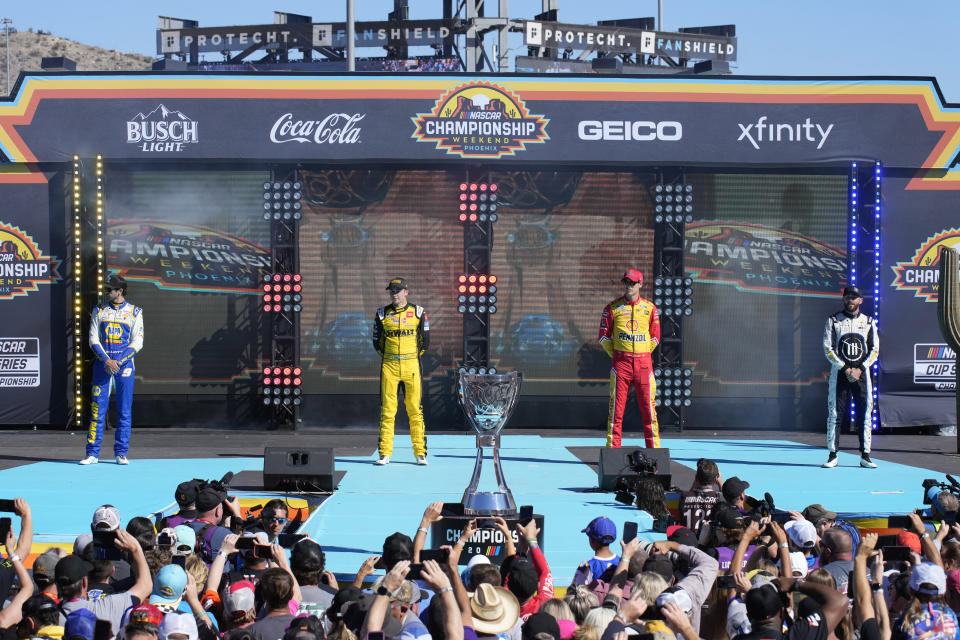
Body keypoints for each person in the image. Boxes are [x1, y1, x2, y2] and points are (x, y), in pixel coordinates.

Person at [81, 274, 144, 466]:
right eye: (106, 289)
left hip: (124, 368)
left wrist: (118, 361)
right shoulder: (99, 310)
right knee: (97, 410)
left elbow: (138, 341)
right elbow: (93, 339)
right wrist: (107, 360)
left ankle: (121, 452)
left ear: (120, 291)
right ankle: (92, 453)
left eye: (110, 289)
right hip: (103, 366)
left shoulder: (135, 312)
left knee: (124, 410)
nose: (106, 292)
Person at [598, 268, 660, 448]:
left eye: (632, 283)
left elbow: (655, 337)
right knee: (615, 412)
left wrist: (641, 353)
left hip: (643, 365)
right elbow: (603, 337)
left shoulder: (650, 309)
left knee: (649, 411)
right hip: (621, 365)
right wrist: (618, 355)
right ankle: (612, 450)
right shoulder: (612, 308)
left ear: (640, 284)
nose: (629, 286)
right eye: (626, 282)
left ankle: (654, 450)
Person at [372, 277, 430, 466]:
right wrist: (390, 356)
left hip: (411, 365)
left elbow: (425, 342)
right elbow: (377, 342)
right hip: (389, 366)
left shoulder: (418, 312)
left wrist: (410, 356)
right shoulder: (382, 313)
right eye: (391, 291)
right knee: (388, 410)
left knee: (415, 409)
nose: (394, 294)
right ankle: (385, 453)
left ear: (406, 291)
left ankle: (420, 452)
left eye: (397, 291)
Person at [822, 285, 879, 469]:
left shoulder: (869, 321)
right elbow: (827, 348)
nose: (850, 300)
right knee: (835, 413)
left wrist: (861, 368)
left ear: (860, 300)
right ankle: (832, 455)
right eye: (847, 297)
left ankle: (865, 455)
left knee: (865, 414)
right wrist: (846, 368)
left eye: (854, 297)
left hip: (862, 375)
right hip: (840, 374)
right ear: (843, 299)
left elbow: (874, 349)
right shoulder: (833, 320)